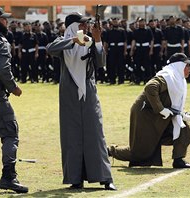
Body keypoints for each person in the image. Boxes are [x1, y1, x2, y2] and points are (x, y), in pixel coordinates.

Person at [46, 12, 116, 190]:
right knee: (71, 135)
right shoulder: (64, 42)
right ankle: (75, 178)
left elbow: (100, 63)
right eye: (82, 24)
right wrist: (72, 42)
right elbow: (50, 49)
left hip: (89, 93)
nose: (85, 27)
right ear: (72, 27)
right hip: (69, 94)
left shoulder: (90, 42)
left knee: (96, 134)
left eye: (86, 24)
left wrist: (98, 40)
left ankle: (105, 178)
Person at [108, 53, 190, 168]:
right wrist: (161, 109)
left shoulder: (178, 79)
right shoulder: (167, 76)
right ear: (179, 66)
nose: (189, 68)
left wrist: (181, 114)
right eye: (186, 65)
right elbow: (150, 87)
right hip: (145, 115)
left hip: (158, 115)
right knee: (140, 153)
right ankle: (108, 151)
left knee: (184, 129)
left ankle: (178, 159)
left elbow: (171, 101)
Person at [0, 7, 28, 193]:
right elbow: (2, 69)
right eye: (3, 19)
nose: (6, 22)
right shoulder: (2, 42)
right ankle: (9, 176)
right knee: (10, 133)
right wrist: (13, 87)